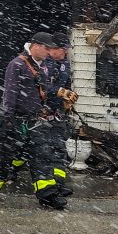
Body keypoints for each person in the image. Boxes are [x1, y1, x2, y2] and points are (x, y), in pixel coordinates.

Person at [0, 32, 67, 210]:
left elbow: (42, 90)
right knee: (1, 158)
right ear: (36, 46)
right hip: (15, 119)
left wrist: (57, 97)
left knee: (43, 157)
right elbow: (10, 93)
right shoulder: (17, 64)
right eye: (47, 48)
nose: (49, 52)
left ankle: (48, 196)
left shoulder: (43, 66)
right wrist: (7, 119)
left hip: (34, 121)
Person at [45, 32, 78, 196]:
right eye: (63, 49)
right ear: (53, 48)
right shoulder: (43, 63)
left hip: (57, 114)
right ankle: (11, 173)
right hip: (40, 113)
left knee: (59, 148)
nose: (66, 52)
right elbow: (41, 87)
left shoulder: (65, 63)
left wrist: (68, 97)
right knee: (33, 149)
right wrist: (57, 91)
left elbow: (67, 84)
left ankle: (58, 184)